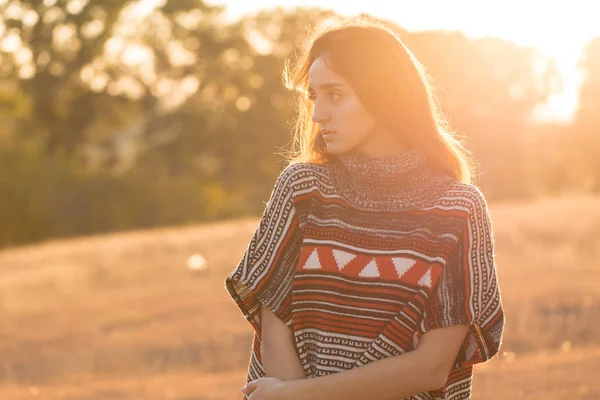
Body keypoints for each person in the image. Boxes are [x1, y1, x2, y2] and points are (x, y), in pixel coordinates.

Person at [225, 16, 505, 400]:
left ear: (383, 94)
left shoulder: (457, 209)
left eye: (335, 95)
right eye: (313, 97)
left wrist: (300, 396)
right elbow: (275, 332)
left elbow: (431, 366)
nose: (318, 113)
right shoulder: (301, 189)